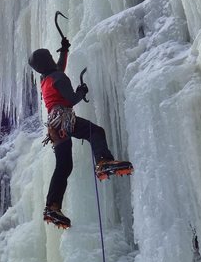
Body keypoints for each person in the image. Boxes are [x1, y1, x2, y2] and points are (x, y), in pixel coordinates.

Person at [28, 38, 133, 229]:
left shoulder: (46, 79)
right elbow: (71, 99)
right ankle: (103, 162)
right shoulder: (58, 78)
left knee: (64, 165)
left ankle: (52, 207)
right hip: (64, 118)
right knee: (95, 131)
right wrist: (81, 90)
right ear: (46, 61)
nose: (53, 58)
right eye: (50, 56)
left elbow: (58, 67)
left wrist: (65, 51)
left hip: (53, 124)